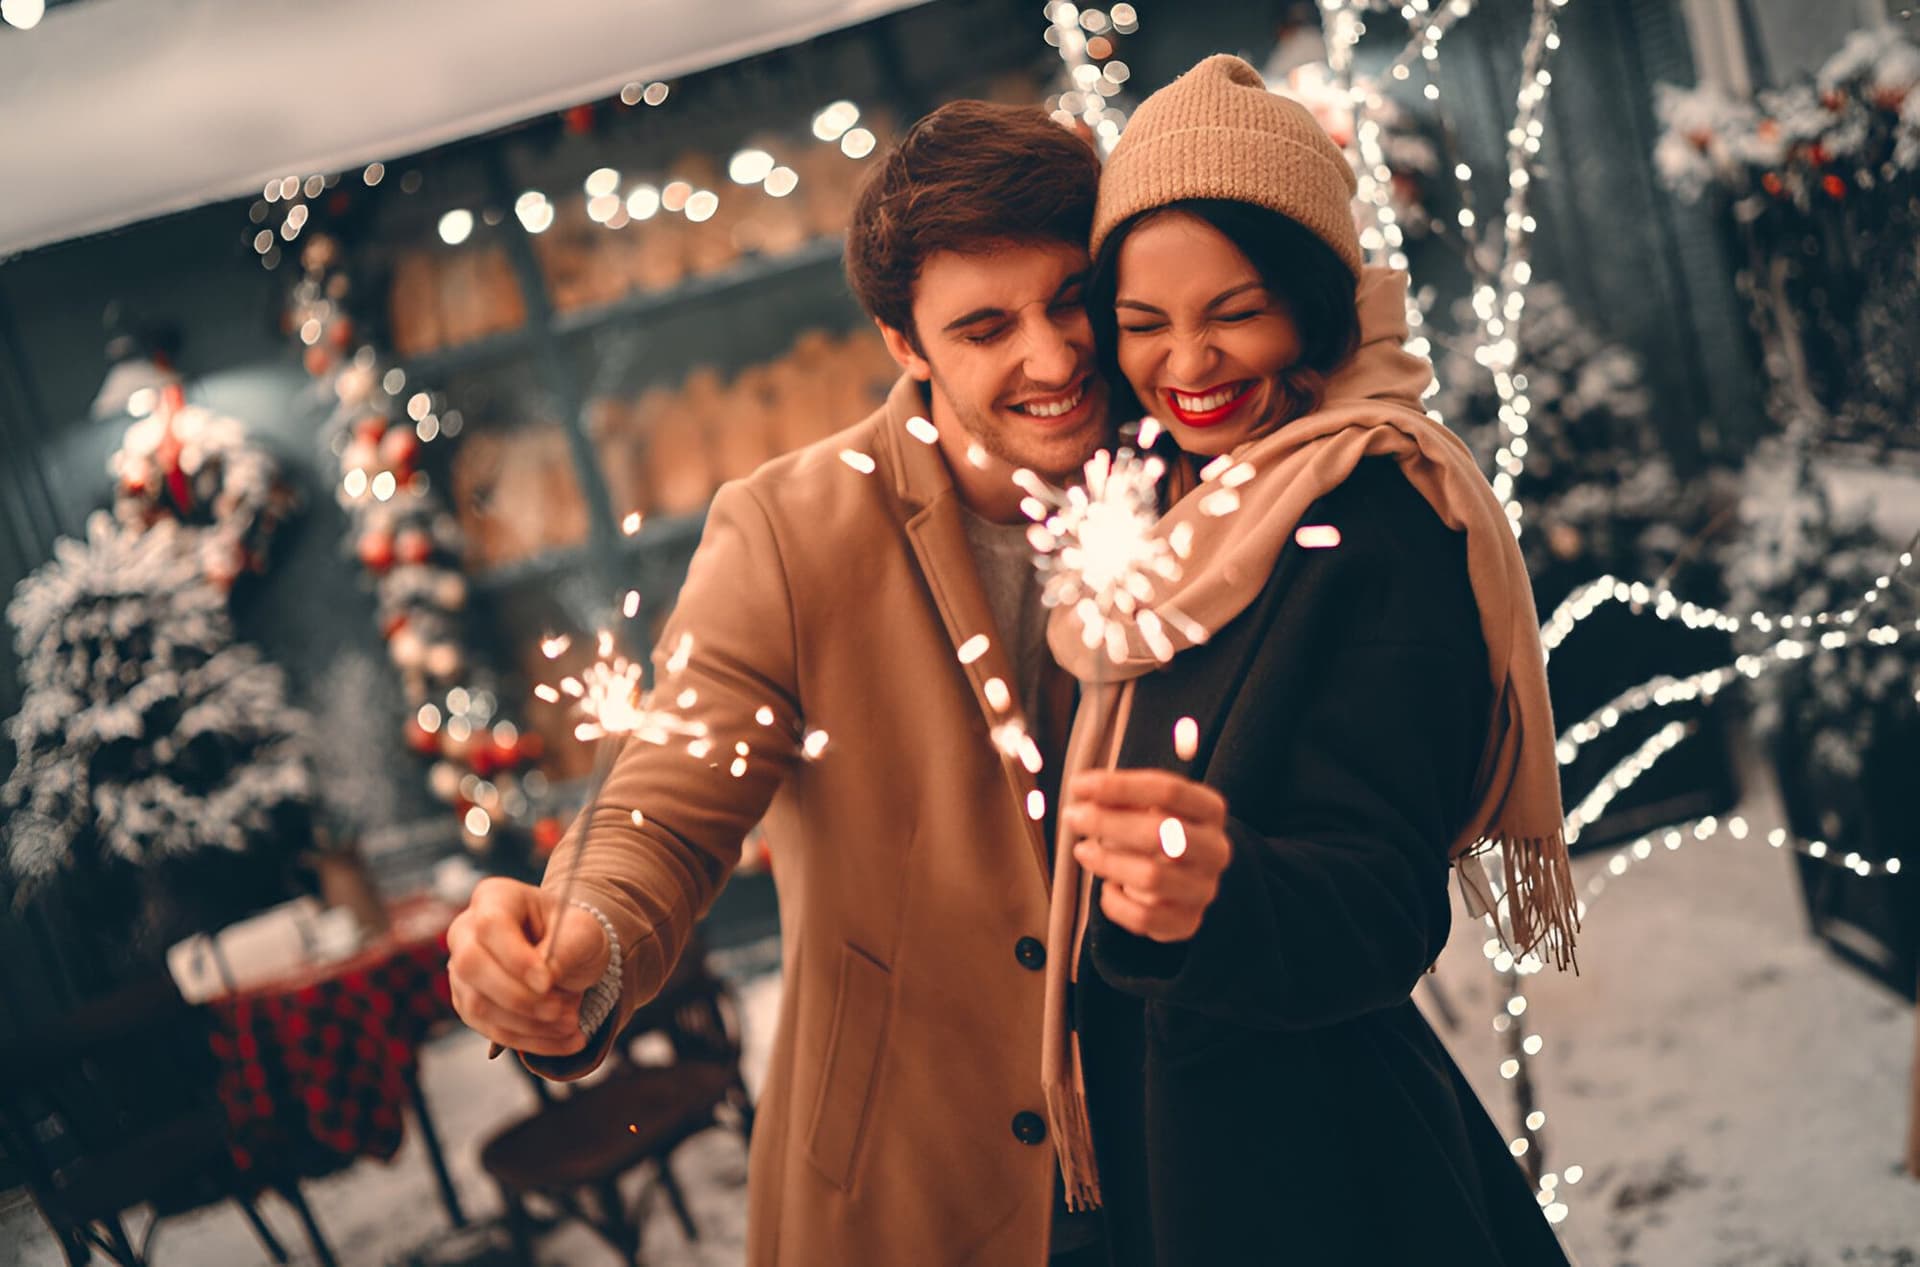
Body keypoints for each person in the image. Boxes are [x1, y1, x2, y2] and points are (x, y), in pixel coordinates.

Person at [447, 100, 1129, 1266]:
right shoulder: (790, 529)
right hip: (920, 1172)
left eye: (1072, 299)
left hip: (1201, 1140)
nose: (1055, 356)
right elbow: (668, 802)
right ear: (904, 343)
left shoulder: (1207, 467)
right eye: (985, 327)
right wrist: (581, 943)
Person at [1033, 54, 1581, 1265]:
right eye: (1144, 323)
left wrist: (1219, 893)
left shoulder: (1376, 520)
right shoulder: (1168, 506)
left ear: (1316, 306)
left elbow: (1385, 899)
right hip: (1151, 1131)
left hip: (1305, 1168)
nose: (1187, 364)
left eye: (1234, 312)